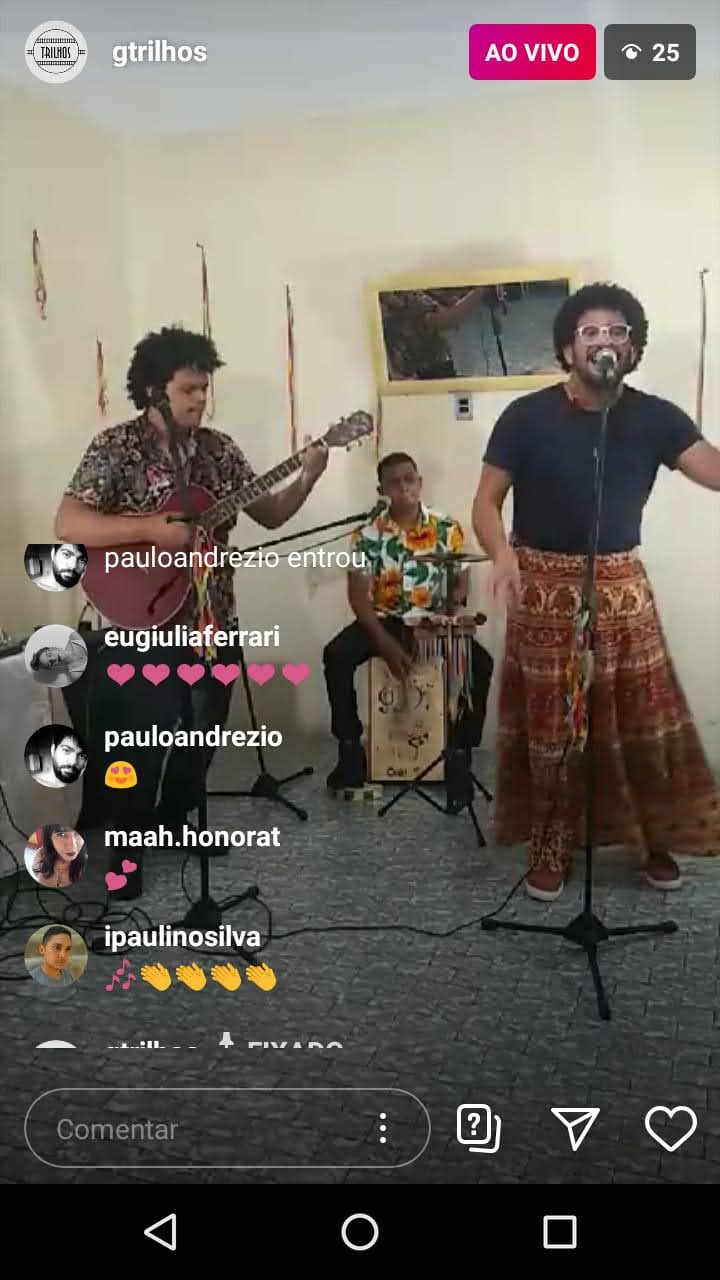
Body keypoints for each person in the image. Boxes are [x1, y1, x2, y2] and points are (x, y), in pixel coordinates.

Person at [472, 281, 720, 902]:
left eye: (616, 332)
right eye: (590, 332)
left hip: (622, 589)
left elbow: (714, 471)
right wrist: (502, 553)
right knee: (553, 727)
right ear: (567, 348)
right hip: (542, 590)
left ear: (632, 348)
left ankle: (650, 837)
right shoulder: (525, 416)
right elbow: (485, 502)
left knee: (641, 721)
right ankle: (550, 843)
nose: (604, 341)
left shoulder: (657, 416)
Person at [54, 326, 329, 873]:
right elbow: (68, 523)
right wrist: (151, 529)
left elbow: (270, 514)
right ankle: (127, 847)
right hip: (143, 617)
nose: (200, 399)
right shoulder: (116, 447)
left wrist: (308, 477)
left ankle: (177, 817)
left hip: (211, 615)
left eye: (204, 388)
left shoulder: (217, 450)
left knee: (203, 729)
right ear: (153, 390)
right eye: (188, 389)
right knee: (139, 741)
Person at [323, 451, 493, 788]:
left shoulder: (446, 527)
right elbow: (358, 598)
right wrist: (384, 643)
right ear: (381, 490)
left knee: (481, 664)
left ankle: (460, 752)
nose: (403, 487)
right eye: (394, 482)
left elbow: (461, 584)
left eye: (409, 479)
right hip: (384, 621)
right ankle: (350, 749)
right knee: (336, 655)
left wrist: (444, 615)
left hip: (432, 621)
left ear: (420, 482)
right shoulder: (366, 535)